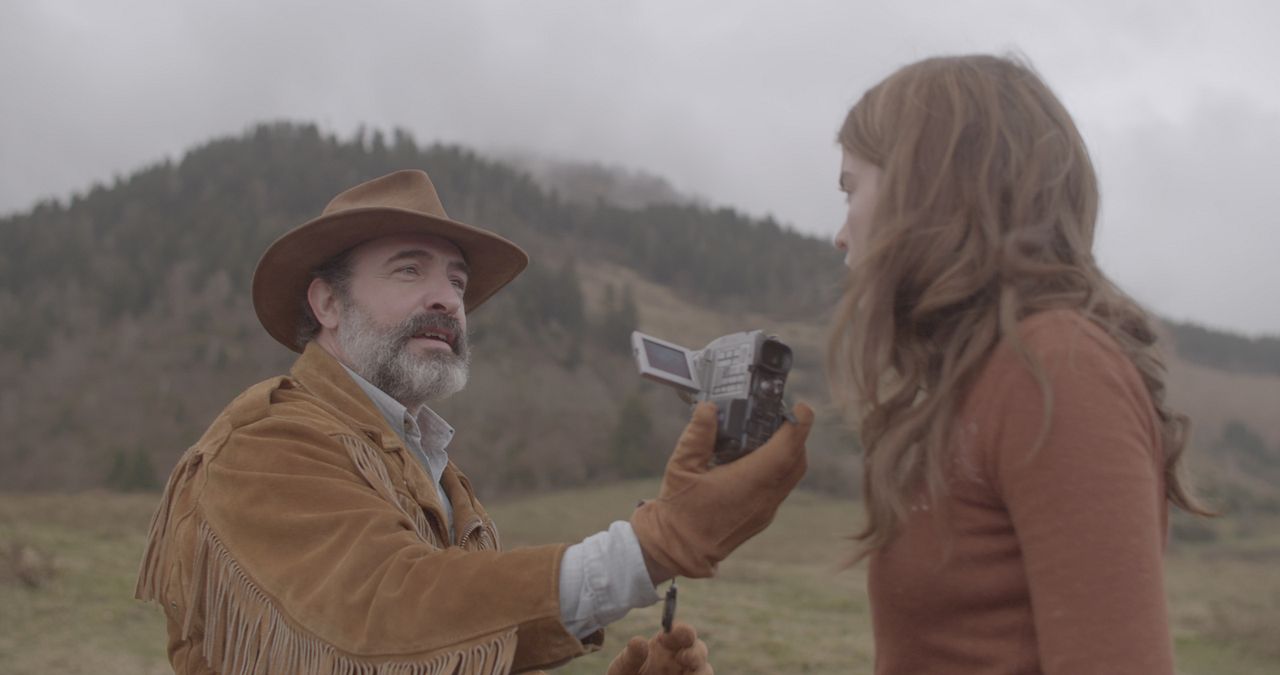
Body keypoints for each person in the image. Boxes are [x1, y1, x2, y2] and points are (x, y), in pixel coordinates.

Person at [135, 169, 812, 674]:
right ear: (327, 303)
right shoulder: (265, 442)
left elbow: (455, 647)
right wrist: (650, 546)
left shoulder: (430, 464)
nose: (447, 298)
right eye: (410, 270)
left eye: (458, 282)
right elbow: (387, 612)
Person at [827, 54, 1211, 673]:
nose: (841, 235)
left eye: (851, 188)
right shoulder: (982, 377)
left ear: (924, 188)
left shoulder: (1057, 370)